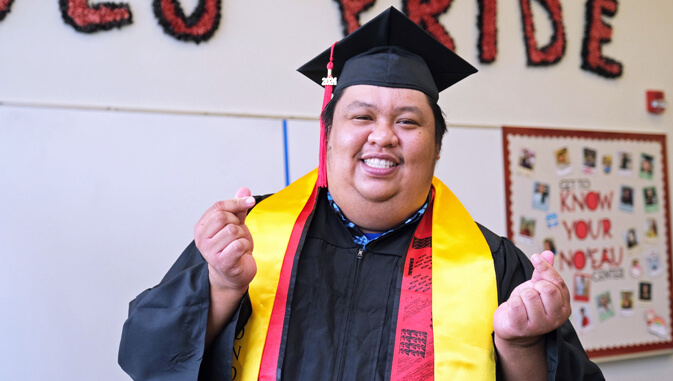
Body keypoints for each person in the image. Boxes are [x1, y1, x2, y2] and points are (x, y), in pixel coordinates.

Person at [118, 7, 603, 381]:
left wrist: (519, 346)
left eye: (409, 121)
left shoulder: (493, 264)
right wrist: (222, 286)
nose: (384, 136)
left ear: (436, 150)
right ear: (328, 136)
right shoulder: (248, 236)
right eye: (362, 116)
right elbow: (144, 359)